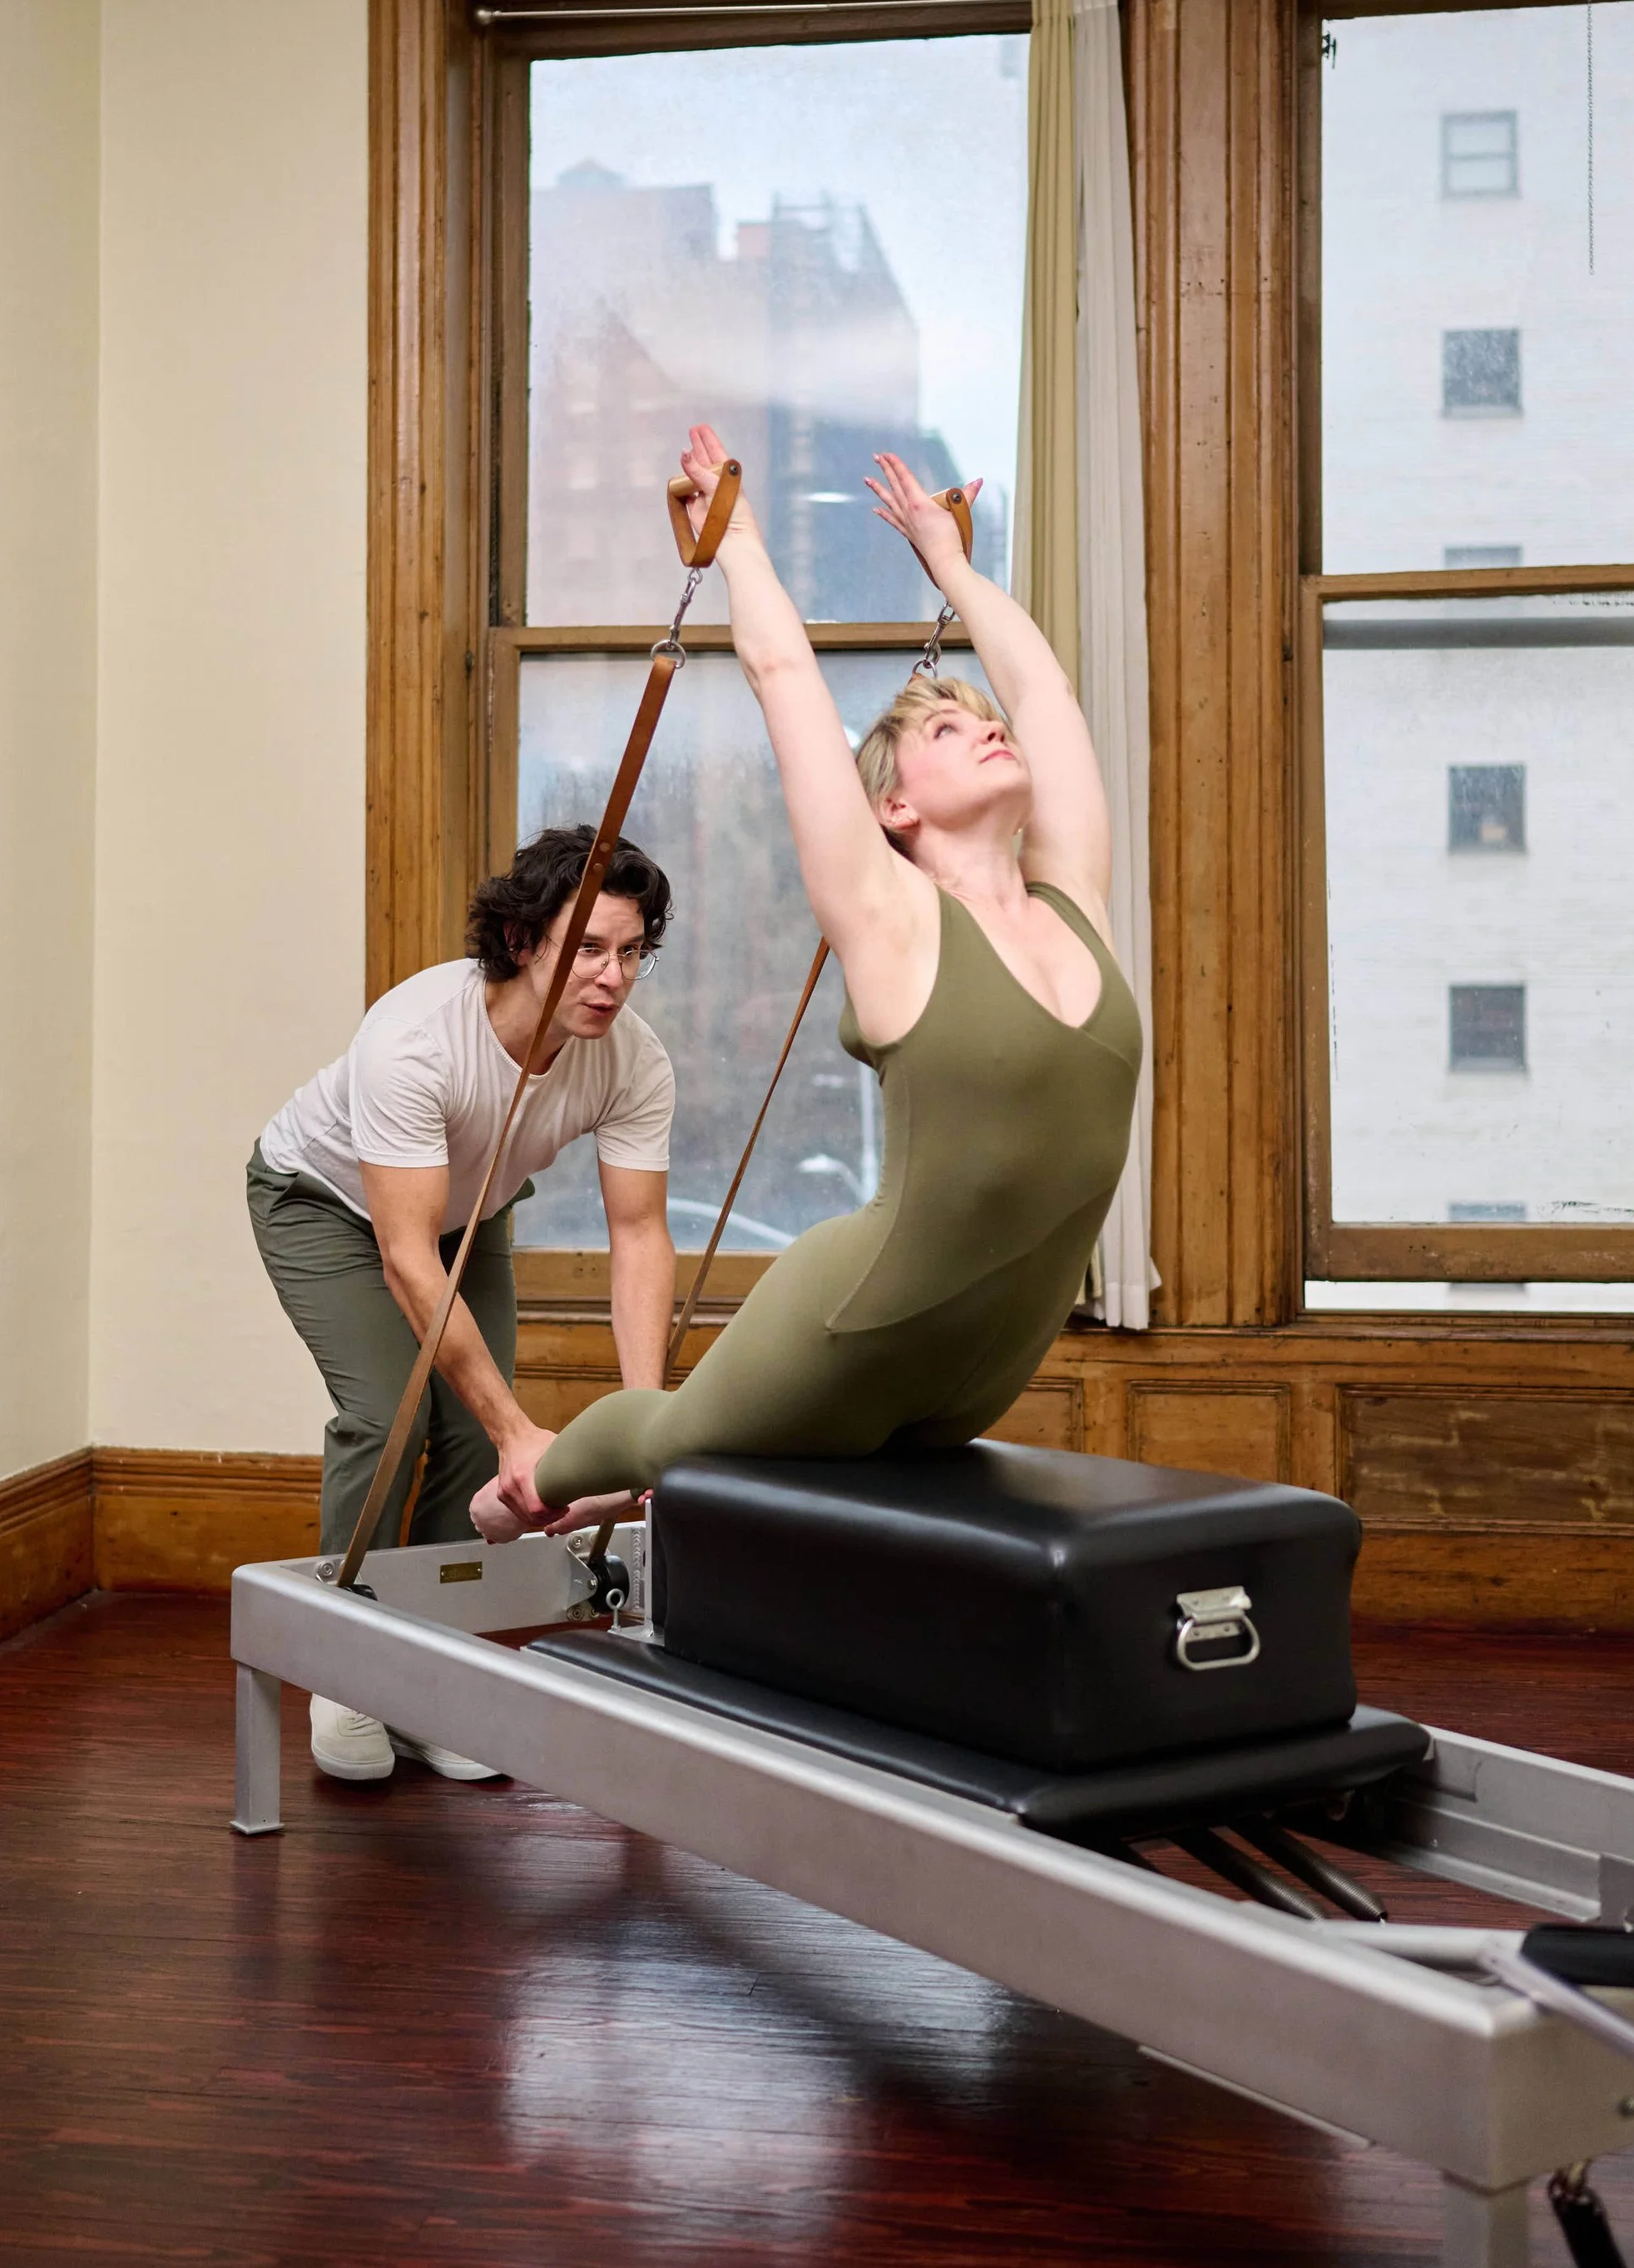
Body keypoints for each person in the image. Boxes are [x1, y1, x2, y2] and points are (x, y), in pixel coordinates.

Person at [469, 426, 1141, 1542]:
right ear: (895, 809)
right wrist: (736, 538)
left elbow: (1050, 690)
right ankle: (533, 1482)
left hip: (979, 1374)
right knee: (669, 1442)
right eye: (942, 726)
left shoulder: (1078, 898)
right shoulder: (891, 919)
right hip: (858, 1321)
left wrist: (953, 565)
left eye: (984, 720)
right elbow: (784, 675)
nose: (984, 728)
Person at [249, 825, 676, 1776]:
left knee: (476, 1438)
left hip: (466, 1213)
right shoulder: (413, 1040)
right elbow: (405, 1255)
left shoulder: (633, 1060)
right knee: (387, 1418)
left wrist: (645, 1422)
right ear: (524, 943)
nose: (612, 977)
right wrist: (521, 1428)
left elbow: (639, 1235)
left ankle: (430, 1673)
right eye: (589, 949)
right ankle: (343, 1669)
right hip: (326, 1205)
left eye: (632, 953)